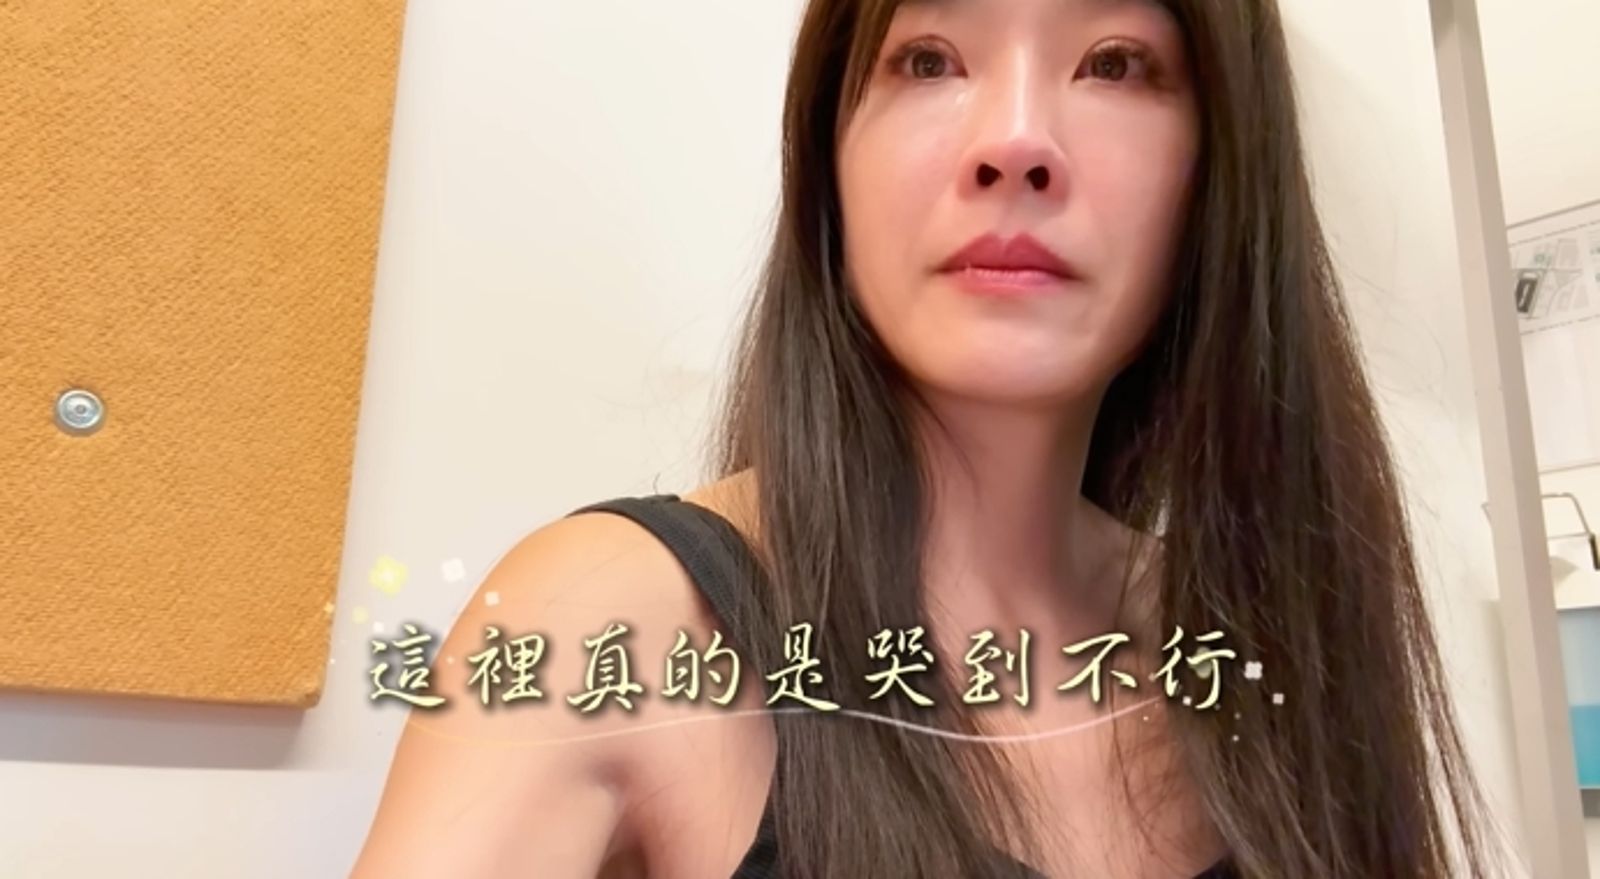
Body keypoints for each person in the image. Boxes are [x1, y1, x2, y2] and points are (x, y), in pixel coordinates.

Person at [351, 0, 1511, 876]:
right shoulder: (610, 626)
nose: (1015, 141)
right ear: (828, 161)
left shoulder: (1261, 641)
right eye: (928, 59)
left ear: (1218, 172)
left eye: (1114, 63)